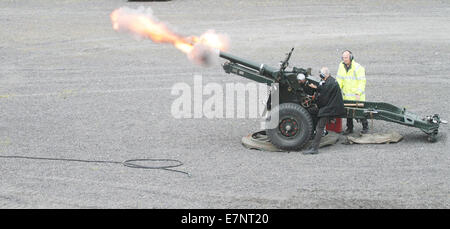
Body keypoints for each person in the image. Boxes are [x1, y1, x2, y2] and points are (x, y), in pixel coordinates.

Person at [303, 67, 346, 155]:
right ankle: (313, 144)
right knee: (312, 112)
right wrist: (317, 88)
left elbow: (323, 99)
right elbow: (323, 89)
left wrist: (315, 99)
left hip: (331, 108)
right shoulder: (329, 81)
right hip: (331, 106)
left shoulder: (328, 83)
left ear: (324, 75)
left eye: (321, 75)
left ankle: (314, 148)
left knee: (320, 127)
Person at [336, 50, 368, 134]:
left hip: (356, 96)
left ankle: (365, 126)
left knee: (360, 112)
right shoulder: (341, 66)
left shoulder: (358, 68)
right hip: (347, 96)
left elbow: (362, 82)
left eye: (346, 57)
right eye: (343, 58)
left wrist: (358, 93)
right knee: (348, 114)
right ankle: (349, 128)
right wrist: (336, 90)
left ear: (351, 57)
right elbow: (339, 79)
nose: (344, 59)